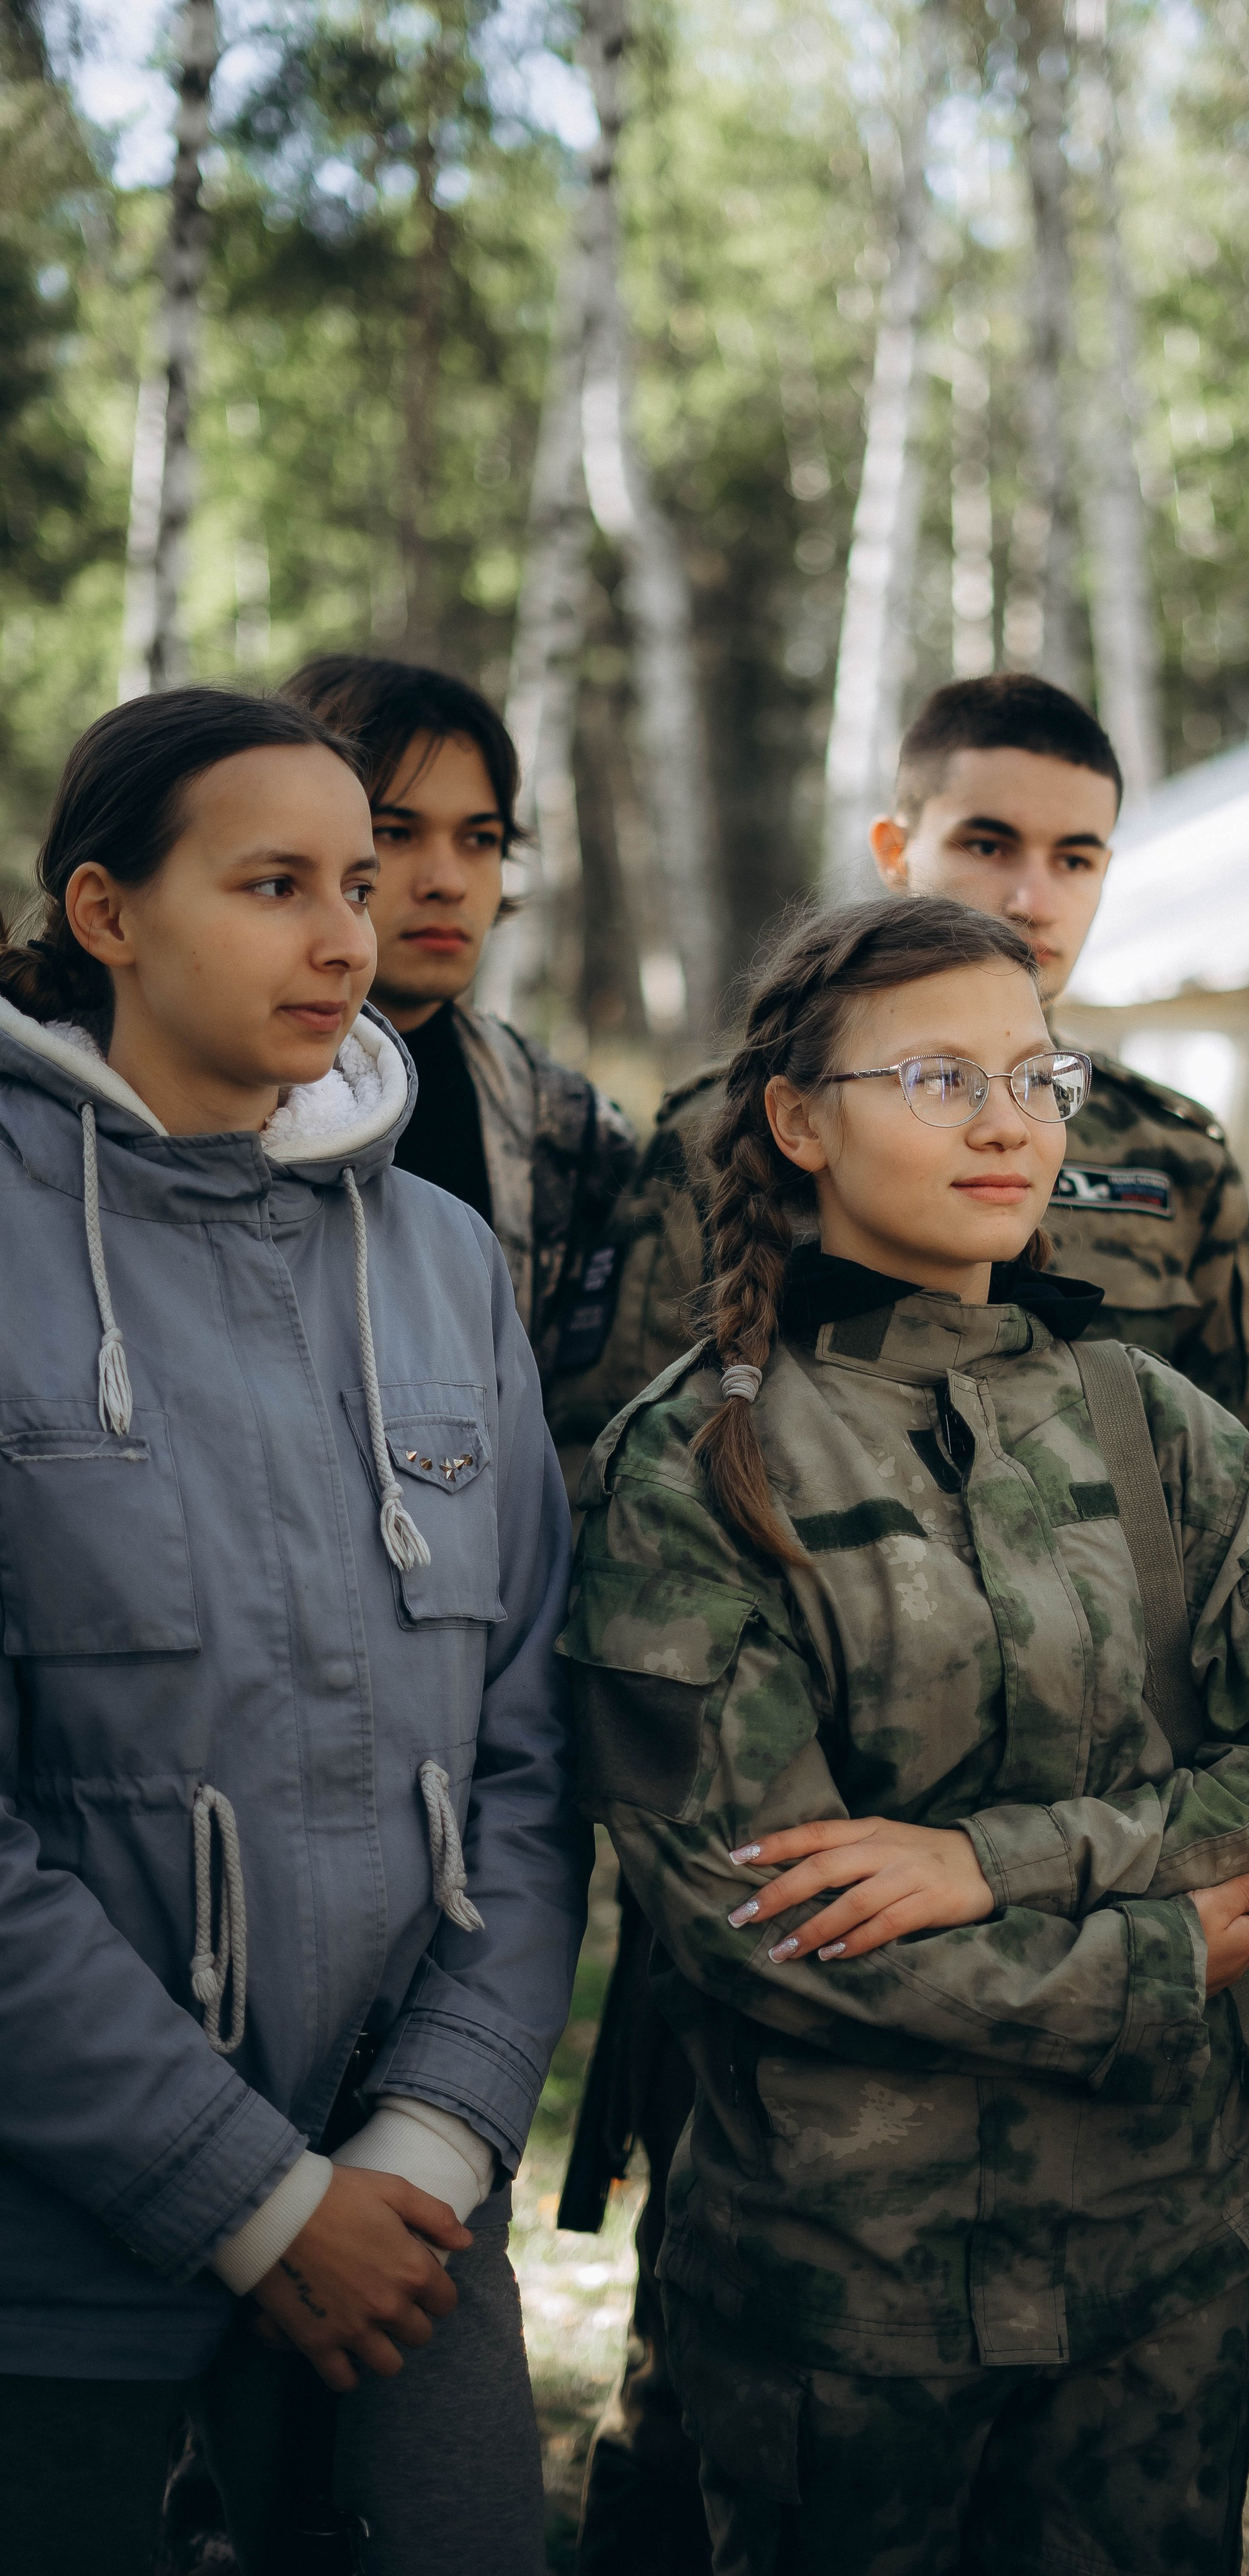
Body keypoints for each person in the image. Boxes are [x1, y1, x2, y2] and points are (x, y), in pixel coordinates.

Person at [566, 894, 1249, 2576]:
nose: (1010, 1120)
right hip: (845, 2302)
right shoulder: (700, 1462)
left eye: (1035, 1073)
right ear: (796, 1118)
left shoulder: (1157, 1425)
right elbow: (765, 1913)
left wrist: (977, 1862)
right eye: (939, 1075)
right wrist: (1161, 1955)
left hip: (1155, 2290)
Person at [0, 687, 588, 2576]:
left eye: (361, 880)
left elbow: (527, 1757)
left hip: (409, 2247)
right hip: (55, 2271)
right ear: (108, 913)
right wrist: (251, 2204)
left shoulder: (435, 1263)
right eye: (276, 884)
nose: (351, 934)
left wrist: (424, 2149)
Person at [276, 654, 637, 1444]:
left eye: (480, 839)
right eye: (395, 831)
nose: (446, 879)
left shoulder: (566, 1126)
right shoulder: (189, 1091)